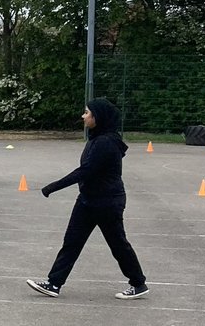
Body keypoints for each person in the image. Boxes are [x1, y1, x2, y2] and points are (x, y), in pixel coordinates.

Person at [26, 98, 149, 300]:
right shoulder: (97, 138)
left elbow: (85, 171)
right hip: (88, 200)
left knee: (118, 244)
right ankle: (54, 283)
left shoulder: (106, 142)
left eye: (86, 113)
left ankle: (138, 283)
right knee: (72, 242)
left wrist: (53, 187)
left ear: (97, 117)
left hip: (107, 202)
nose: (83, 116)